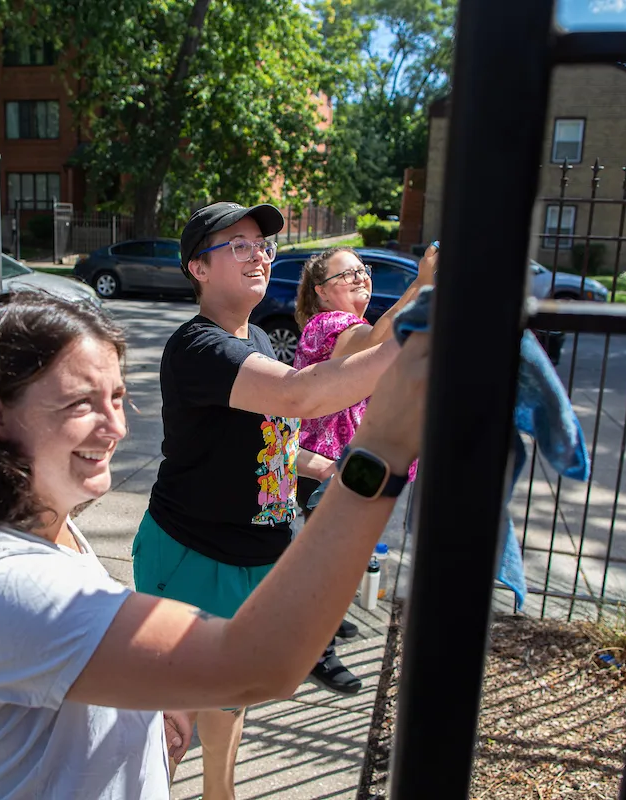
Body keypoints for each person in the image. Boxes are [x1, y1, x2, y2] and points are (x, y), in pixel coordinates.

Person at [0, 289, 430, 799]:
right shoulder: (8, 583)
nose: (115, 426)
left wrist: (143, 702)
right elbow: (259, 665)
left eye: (117, 397)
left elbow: (50, 681)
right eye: (80, 402)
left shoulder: (22, 519)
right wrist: (378, 455)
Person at [133, 203, 409, 799]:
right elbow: (302, 397)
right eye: (237, 244)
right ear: (197, 269)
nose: (258, 253)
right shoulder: (198, 348)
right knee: (172, 724)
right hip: (191, 557)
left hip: (255, 556)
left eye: (261, 245)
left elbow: (272, 445)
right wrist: (414, 338)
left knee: (229, 699)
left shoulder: (257, 338)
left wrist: (327, 467)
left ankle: (220, 794)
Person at [293, 244, 437, 512]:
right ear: (321, 290)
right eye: (347, 274)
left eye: (362, 270)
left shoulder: (356, 328)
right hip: (330, 472)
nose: (360, 277)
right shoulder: (324, 325)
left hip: (354, 472)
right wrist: (421, 283)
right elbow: (375, 343)